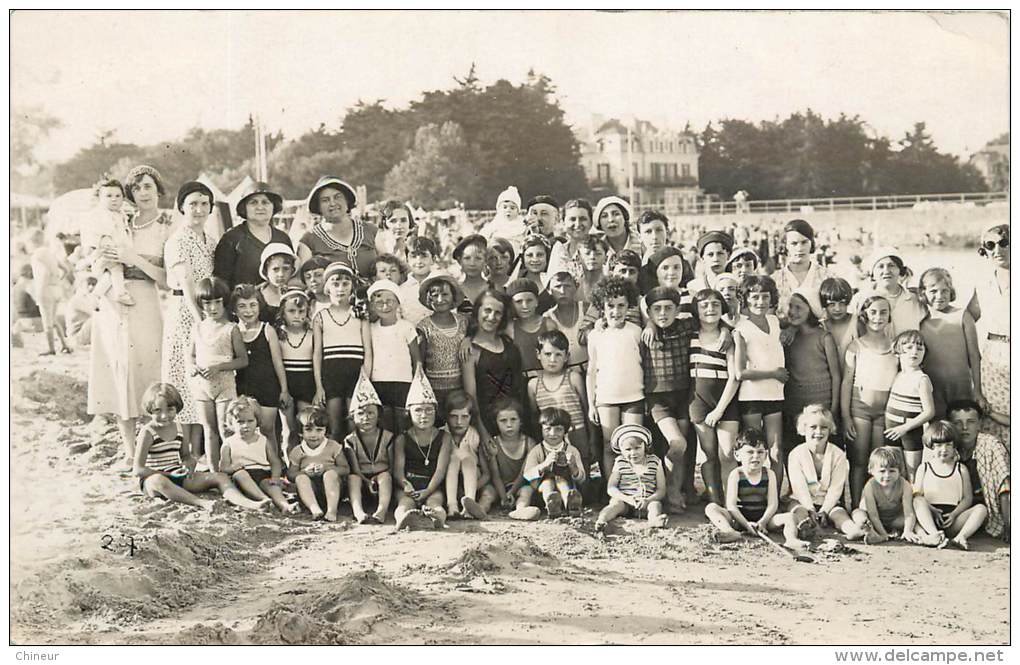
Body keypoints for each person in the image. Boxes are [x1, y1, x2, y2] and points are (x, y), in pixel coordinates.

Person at [88, 165, 173, 466]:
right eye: (136, 189)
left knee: (150, 370)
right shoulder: (120, 220)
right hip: (114, 301)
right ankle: (129, 449)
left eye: (148, 186)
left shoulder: (169, 223)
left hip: (150, 301)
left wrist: (132, 258)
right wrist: (100, 265)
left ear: (158, 189)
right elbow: (93, 259)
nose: (143, 193)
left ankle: (161, 446)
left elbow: (168, 279)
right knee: (121, 370)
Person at [133, 383, 268, 512]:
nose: (164, 415)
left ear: (177, 408)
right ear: (150, 409)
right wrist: (168, 475)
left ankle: (249, 503)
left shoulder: (179, 427)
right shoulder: (148, 432)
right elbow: (138, 469)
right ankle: (201, 503)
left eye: (170, 409)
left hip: (177, 476)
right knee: (159, 481)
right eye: (158, 410)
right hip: (153, 481)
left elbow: (186, 456)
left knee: (220, 477)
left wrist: (189, 465)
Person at [162, 181, 218, 459]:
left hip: (207, 312)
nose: (199, 209)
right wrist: (201, 323)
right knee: (186, 375)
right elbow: (186, 284)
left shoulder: (210, 240)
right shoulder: (177, 241)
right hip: (186, 313)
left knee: (202, 379)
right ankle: (187, 449)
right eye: (193, 203)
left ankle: (201, 448)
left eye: (204, 203)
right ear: (182, 207)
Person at [639, 286, 698, 513]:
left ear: (677, 310)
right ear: (650, 312)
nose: (663, 313)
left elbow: (710, 321)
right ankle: (670, 490)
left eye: (668, 308)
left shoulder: (685, 327)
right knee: (677, 442)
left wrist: (723, 330)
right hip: (658, 400)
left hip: (683, 396)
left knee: (681, 447)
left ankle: (675, 492)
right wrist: (650, 324)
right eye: (657, 309)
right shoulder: (646, 335)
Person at [704, 428, 810, 549]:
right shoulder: (736, 474)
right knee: (711, 508)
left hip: (764, 519)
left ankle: (792, 539)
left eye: (760, 452)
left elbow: (773, 504)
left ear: (766, 454)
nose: (756, 456)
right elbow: (731, 506)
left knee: (790, 517)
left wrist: (763, 522)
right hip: (739, 518)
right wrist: (746, 525)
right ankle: (730, 531)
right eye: (750, 452)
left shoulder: (769, 474)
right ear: (737, 455)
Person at [586, 276, 644, 481]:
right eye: (611, 306)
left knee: (633, 442)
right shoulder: (595, 334)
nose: (616, 311)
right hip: (606, 397)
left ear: (629, 306)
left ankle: (633, 486)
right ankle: (612, 489)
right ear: (602, 306)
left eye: (621, 306)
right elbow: (591, 370)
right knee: (610, 443)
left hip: (634, 395)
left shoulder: (636, 332)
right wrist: (592, 405)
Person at [841, 295, 898, 506]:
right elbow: (847, 382)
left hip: (885, 412)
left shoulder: (896, 347)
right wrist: (846, 416)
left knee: (880, 462)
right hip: (860, 410)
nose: (878, 317)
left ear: (890, 316)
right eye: (873, 312)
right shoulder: (856, 346)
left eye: (883, 312)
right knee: (859, 461)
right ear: (864, 316)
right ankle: (857, 507)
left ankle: (877, 507)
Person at [733, 275, 787, 492]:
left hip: (775, 394)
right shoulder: (741, 328)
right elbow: (740, 372)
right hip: (752, 397)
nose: (760, 302)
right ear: (745, 299)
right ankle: (751, 493)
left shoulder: (775, 322)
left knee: (776, 450)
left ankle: (775, 493)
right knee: (752, 450)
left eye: (765, 296)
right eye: (754, 297)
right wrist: (773, 373)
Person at [189, 277, 248, 472]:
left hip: (224, 384)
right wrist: (193, 367)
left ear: (224, 302)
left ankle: (232, 468)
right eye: (207, 303)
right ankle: (214, 472)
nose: (212, 308)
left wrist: (220, 367)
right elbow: (191, 356)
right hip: (202, 387)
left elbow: (243, 360)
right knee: (209, 430)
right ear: (201, 304)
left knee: (226, 430)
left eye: (217, 302)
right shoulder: (197, 328)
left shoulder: (231, 329)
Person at [689, 288, 741, 506]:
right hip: (698, 401)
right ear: (696, 310)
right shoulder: (690, 335)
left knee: (727, 454)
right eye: (704, 305)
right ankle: (714, 499)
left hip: (725, 400)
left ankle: (731, 501)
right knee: (709, 454)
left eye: (715, 304)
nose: (710, 309)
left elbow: (734, 377)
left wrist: (719, 410)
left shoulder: (729, 336)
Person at [312, 262, 373, 442]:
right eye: (335, 284)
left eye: (345, 283)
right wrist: (319, 386)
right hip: (331, 374)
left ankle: (357, 463)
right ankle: (339, 464)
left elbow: (368, 351)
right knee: (335, 425)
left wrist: (365, 380)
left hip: (355, 373)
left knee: (355, 423)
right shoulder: (320, 316)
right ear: (327, 288)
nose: (340, 288)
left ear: (352, 287)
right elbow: (317, 354)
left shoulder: (360, 314)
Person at [786, 405, 865, 540]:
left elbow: (836, 487)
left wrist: (825, 510)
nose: (818, 432)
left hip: (828, 502)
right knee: (798, 511)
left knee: (839, 514)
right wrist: (810, 509)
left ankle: (852, 530)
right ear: (803, 429)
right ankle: (806, 527)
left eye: (824, 427)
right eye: (813, 427)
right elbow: (799, 488)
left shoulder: (838, 455)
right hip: (802, 501)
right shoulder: (796, 454)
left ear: (830, 430)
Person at [461, 289, 526, 442]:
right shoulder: (471, 350)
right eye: (487, 310)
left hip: (517, 419)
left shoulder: (508, 342)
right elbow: (472, 398)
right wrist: (483, 434)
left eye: (498, 313)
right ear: (477, 311)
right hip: (489, 422)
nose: (491, 317)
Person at [393, 370, 454, 530]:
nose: (424, 415)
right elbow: (398, 470)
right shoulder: (402, 439)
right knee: (404, 504)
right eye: (418, 410)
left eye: (429, 410)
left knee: (435, 503)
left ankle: (437, 519)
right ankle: (403, 520)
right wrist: (405, 484)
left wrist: (427, 491)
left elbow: (441, 470)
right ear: (409, 413)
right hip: (409, 484)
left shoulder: (444, 437)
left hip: (432, 484)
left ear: (435, 411)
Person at [912, 421, 988, 550]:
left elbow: (967, 498)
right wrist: (931, 509)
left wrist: (954, 515)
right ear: (931, 446)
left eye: (948, 445)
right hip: (929, 517)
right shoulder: (924, 468)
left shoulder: (961, 469)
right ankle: (933, 534)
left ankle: (960, 537)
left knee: (981, 509)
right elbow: (917, 494)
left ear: (954, 447)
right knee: (917, 500)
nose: (944, 449)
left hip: (953, 519)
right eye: (939, 445)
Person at [232, 283, 289, 454]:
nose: (248, 311)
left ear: (260, 306)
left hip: (267, 388)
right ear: (234, 309)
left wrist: (284, 389)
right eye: (242, 306)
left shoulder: (267, 329)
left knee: (267, 430)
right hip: (243, 388)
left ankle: (275, 468)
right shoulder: (233, 331)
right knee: (244, 432)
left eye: (253, 305)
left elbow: (278, 362)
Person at [967, 223, 1010, 445]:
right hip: (993, 358)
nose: (998, 250)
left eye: (1004, 243)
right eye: (990, 245)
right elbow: (967, 317)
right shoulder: (983, 284)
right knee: (993, 423)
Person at [918, 268, 980, 419]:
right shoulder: (920, 318)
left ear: (951, 292)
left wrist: (977, 390)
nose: (940, 296)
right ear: (923, 293)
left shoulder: (962, 316)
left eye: (944, 291)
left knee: (961, 427)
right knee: (939, 431)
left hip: (961, 387)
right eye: (933, 291)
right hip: (933, 388)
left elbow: (974, 356)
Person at [782, 288, 841, 447]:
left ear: (811, 309)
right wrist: (790, 329)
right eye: (790, 306)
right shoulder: (787, 337)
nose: (792, 312)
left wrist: (834, 409)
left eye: (798, 307)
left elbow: (836, 376)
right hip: (794, 405)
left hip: (822, 405)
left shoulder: (824, 337)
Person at [219, 396, 297, 513]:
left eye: (250, 421)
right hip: (242, 476)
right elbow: (223, 468)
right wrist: (232, 468)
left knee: (271, 485)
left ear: (257, 421)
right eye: (240, 422)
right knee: (241, 475)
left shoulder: (263, 440)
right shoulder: (229, 443)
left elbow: (275, 462)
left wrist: (275, 477)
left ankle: (284, 505)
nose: (245, 426)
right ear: (231, 423)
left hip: (262, 474)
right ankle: (264, 499)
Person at [527, 330, 590, 473]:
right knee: (557, 475)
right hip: (552, 437)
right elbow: (534, 418)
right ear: (538, 354)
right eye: (548, 354)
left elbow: (587, 410)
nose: (552, 359)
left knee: (581, 474)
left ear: (567, 356)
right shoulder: (533, 385)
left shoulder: (573, 378)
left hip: (577, 434)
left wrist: (591, 440)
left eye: (558, 354)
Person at [851, 446, 941, 546]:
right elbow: (873, 515)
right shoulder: (870, 486)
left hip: (895, 519)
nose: (887, 475)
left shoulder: (904, 485)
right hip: (874, 520)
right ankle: (871, 533)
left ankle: (924, 537)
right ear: (871, 471)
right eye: (882, 471)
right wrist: (884, 534)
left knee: (914, 523)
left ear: (900, 471)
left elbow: (909, 513)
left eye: (892, 471)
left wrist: (907, 531)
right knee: (858, 513)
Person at [947, 400, 1010, 542]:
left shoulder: (992, 446)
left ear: (980, 424)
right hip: (959, 512)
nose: (964, 427)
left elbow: (1005, 488)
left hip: (989, 509)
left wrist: (1009, 525)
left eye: (970, 422)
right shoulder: (945, 447)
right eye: (957, 423)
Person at [213, 181, 292, 290]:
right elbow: (221, 282)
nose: (260, 207)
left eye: (265, 202)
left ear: (273, 207)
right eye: (253, 202)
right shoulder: (231, 239)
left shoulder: (283, 238)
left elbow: (291, 274)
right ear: (244, 208)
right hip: (243, 305)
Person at [297, 176, 378, 278]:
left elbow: (390, 264)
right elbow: (302, 279)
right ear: (318, 207)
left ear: (347, 201)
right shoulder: (309, 239)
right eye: (325, 200)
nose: (332, 203)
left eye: (337, 197)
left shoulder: (371, 231)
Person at [595, 424, 668, 534]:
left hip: (646, 501)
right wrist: (627, 499)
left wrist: (648, 500)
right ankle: (602, 521)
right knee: (615, 504)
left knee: (655, 505)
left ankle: (653, 521)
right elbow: (611, 488)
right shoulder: (620, 462)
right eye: (628, 450)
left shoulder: (654, 461)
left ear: (645, 446)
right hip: (625, 502)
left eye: (637, 448)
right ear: (621, 450)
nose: (633, 453)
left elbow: (661, 489)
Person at [416, 274, 469, 420]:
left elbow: (474, 337)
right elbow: (420, 360)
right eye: (435, 295)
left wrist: (468, 339)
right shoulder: (424, 326)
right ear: (429, 298)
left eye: (445, 294)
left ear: (453, 297)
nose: (440, 299)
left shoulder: (464, 322)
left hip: (459, 387)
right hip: (434, 390)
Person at [884, 330, 935, 479]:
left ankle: (913, 500)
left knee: (912, 473)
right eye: (909, 348)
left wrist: (904, 428)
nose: (915, 352)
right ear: (898, 351)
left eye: (920, 348)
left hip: (910, 431)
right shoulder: (898, 375)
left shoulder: (922, 379)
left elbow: (929, 412)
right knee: (893, 469)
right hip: (891, 430)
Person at [344, 372, 394, 525]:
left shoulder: (388, 437)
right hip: (363, 482)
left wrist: (379, 478)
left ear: (378, 415)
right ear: (353, 417)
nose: (366, 418)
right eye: (361, 414)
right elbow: (355, 468)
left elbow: (391, 466)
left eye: (370, 413)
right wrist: (366, 481)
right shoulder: (350, 440)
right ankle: (358, 512)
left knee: (385, 476)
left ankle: (381, 511)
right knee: (353, 478)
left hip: (383, 482)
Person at [849, 247, 926, 339]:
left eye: (891, 265)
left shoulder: (915, 300)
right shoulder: (860, 299)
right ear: (873, 273)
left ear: (900, 270)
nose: (886, 270)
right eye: (880, 266)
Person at [522, 407, 586, 518]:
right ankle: (551, 504)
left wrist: (574, 467)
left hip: (566, 484)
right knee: (548, 483)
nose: (553, 433)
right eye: (548, 429)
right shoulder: (537, 450)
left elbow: (582, 478)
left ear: (565, 431)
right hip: (541, 491)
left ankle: (571, 504)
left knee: (563, 482)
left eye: (558, 429)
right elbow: (527, 475)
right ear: (541, 429)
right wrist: (544, 465)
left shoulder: (572, 450)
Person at [288, 406, 348, 521]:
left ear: (326, 430)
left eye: (319, 430)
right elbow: (291, 474)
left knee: (330, 475)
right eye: (309, 430)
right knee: (301, 478)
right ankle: (315, 509)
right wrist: (304, 472)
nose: (314, 435)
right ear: (301, 432)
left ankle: (331, 511)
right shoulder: (298, 451)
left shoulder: (333, 446)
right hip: (310, 493)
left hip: (334, 491)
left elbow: (345, 468)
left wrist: (327, 468)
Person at [482, 398, 537, 518]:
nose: (509, 425)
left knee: (526, 492)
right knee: (487, 493)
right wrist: (503, 496)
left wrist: (511, 492)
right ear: (496, 422)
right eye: (503, 420)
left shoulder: (529, 443)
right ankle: (480, 510)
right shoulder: (493, 443)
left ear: (521, 421)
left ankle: (520, 510)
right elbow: (495, 474)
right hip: (499, 486)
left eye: (513, 420)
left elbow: (525, 473)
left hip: (521, 484)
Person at [442, 390, 492, 520]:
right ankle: (452, 507)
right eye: (454, 416)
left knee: (467, 458)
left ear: (471, 417)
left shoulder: (475, 435)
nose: (459, 422)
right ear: (446, 416)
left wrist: (471, 490)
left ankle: (469, 506)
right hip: (447, 484)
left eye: (464, 416)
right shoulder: (442, 434)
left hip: (473, 482)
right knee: (453, 458)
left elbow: (487, 474)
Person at [83, 178, 133, 306]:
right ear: (100, 198)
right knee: (115, 268)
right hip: (103, 251)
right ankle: (120, 293)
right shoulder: (99, 215)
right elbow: (93, 233)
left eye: (118, 196)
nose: (114, 199)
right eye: (109, 196)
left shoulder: (121, 214)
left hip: (115, 252)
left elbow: (123, 233)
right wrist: (92, 249)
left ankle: (96, 294)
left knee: (113, 273)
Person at [277, 289, 315, 449]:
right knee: (289, 430)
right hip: (286, 384)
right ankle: (288, 465)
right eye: (291, 311)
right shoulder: (278, 334)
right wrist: (284, 390)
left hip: (307, 384)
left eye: (301, 311)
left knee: (307, 426)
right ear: (283, 313)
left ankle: (307, 462)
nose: (297, 316)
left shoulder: (312, 334)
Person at [772, 219, 830, 319]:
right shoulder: (775, 280)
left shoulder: (827, 277)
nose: (800, 248)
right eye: (794, 243)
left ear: (811, 243)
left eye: (804, 242)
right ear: (785, 246)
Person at [27, 228, 72, 355]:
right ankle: (64, 345)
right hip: (56, 288)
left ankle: (51, 349)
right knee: (53, 319)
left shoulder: (36, 256)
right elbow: (66, 270)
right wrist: (57, 281)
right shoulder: (50, 253)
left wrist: (39, 292)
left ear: (32, 241)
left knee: (47, 322)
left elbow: (44, 273)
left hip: (45, 289)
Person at [506, 278, 553, 380]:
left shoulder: (548, 324)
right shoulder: (510, 328)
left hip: (548, 379)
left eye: (529, 300)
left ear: (536, 301)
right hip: (521, 382)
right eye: (519, 302)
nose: (525, 306)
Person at [542, 271, 588, 372]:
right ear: (549, 290)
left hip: (590, 369)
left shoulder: (585, 309)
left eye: (567, 286)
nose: (562, 291)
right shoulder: (548, 318)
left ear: (576, 287)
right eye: (557, 287)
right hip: (565, 373)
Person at [546, 199, 593, 283]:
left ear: (591, 222)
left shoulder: (599, 249)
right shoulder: (558, 250)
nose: (578, 224)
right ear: (563, 222)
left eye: (583, 219)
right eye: (572, 219)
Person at [399, 236, 441, 325]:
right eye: (413, 256)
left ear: (433, 259)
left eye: (424, 256)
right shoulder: (401, 290)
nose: (419, 261)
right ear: (407, 259)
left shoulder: (442, 285)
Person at [593, 196, 642, 268]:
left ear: (625, 218)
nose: (611, 220)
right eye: (604, 216)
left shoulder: (642, 244)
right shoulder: (595, 249)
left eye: (616, 214)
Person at [256, 243, 298, 323]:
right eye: (275, 269)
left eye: (286, 269)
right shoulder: (256, 295)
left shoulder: (295, 293)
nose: (281, 274)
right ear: (266, 271)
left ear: (292, 270)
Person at [819, 277, 855, 367]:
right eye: (832, 304)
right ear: (824, 304)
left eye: (842, 303)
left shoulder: (856, 323)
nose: (837, 309)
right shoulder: (820, 326)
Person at [479, 186, 527, 251]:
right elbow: (485, 233)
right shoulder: (496, 222)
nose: (508, 210)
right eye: (505, 207)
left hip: (515, 249)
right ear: (498, 209)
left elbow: (526, 236)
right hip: (498, 249)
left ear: (518, 211)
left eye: (512, 208)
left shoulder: (521, 222)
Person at [452, 234, 490, 311]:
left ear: (485, 261)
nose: (472, 263)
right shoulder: (454, 290)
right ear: (460, 261)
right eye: (467, 258)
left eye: (478, 258)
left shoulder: (494, 288)